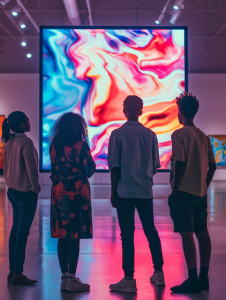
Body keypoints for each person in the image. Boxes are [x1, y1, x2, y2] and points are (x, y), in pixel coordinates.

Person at [107, 95, 164, 293]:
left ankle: (129, 278)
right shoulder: (150, 135)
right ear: (141, 111)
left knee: (127, 235)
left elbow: (115, 166)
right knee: (151, 232)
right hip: (144, 191)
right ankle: (159, 273)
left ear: (124, 111)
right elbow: (155, 166)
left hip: (124, 191)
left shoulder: (117, 135)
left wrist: (113, 191)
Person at [169, 92, 216, 293]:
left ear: (180, 113)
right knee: (202, 233)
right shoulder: (204, 137)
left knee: (187, 235)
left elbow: (179, 163)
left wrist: (174, 189)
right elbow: (212, 166)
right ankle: (204, 278)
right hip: (200, 193)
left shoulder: (179, 135)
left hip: (184, 192)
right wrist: (204, 185)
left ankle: (192, 279)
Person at [49, 112, 96, 292]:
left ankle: (64, 278)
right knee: (74, 235)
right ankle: (72, 279)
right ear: (79, 128)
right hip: (76, 191)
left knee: (62, 235)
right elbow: (89, 169)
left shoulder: (55, 145)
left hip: (59, 190)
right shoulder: (80, 145)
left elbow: (53, 171)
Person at [2, 111, 40, 285]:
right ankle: (18, 273)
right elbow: (31, 168)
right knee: (22, 234)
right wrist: (36, 187)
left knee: (15, 231)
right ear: (23, 125)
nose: (30, 121)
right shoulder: (26, 142)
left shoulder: (8, 141)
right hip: (26, 193)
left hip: (12, 191)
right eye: (28, 119)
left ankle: (13, 271)